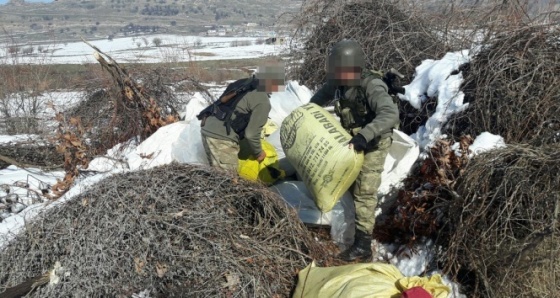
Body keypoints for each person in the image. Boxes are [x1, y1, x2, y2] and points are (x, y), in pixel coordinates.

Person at [310, 40, 400, 262]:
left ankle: (363, 245)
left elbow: (390, 114)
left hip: (375, 140)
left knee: (364, 191)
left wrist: (364, 136)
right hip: (354, 138)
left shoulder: (371, 85)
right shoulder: (339, 81)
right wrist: (307, 114)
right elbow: (318, 99)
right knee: (345, 182)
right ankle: (350, 228)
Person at [200, 63, 285, 173]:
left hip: (207, 126)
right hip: (221, 138)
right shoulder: (263, 102)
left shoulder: (243, 84)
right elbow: (251, 134)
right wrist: (259, 153)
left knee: (216, 174)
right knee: (228, 181)